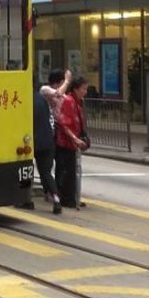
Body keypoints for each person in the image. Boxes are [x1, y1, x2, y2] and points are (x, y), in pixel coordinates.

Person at [55, 74, 89, 209]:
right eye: (83, 89)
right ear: (75, 89)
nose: (85, 92)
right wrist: (74, 138)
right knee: (67, 173)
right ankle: (66, 199)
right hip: (65, 143)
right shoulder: (69, 101)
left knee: (72, 172)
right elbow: (64, 124)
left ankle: (73, 198)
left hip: (73, 144)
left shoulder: (78, 102)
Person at [32, 78, 61, 214]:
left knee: (25, 171)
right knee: (46, 173)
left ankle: (26, 199)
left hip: (34, 141)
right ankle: (56, 198)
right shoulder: (42, 99)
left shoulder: (25, 99)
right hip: (49, 140)